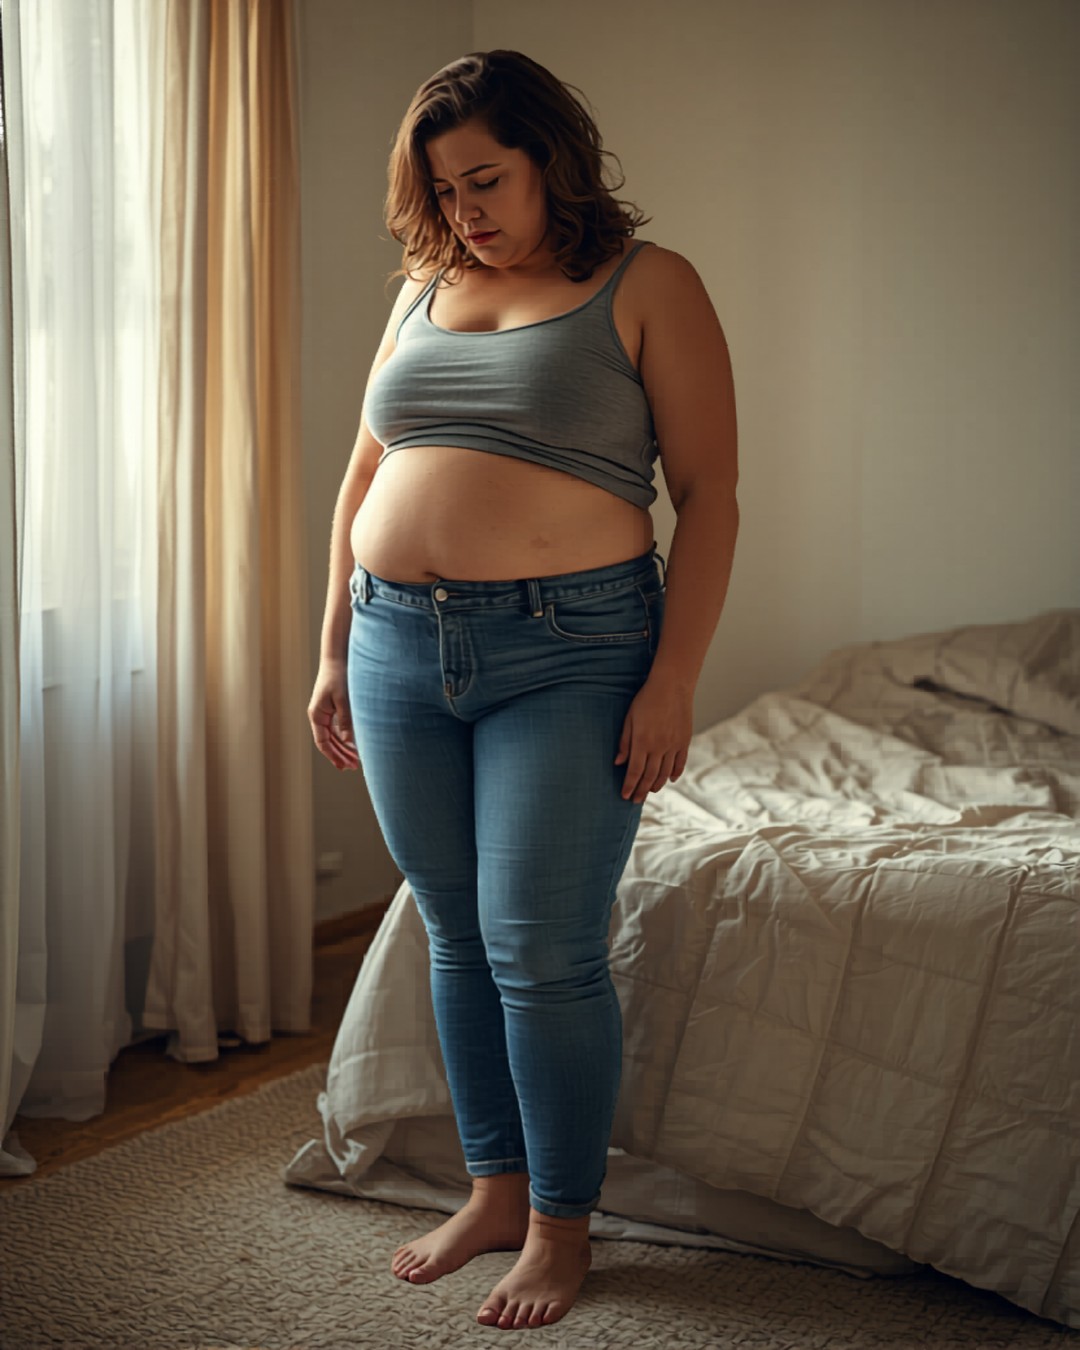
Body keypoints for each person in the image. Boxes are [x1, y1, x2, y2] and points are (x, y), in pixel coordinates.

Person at [307, 49, 738, 1333]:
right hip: (394, 645)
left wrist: (674, 680)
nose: (465, 213)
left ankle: (561, 1224)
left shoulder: (650, 285)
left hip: (573, 650)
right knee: (450, 929)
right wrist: (330, 644)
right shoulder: (423, 290)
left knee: (541, 952)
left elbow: (709, 498)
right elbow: (363, 474)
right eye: (442, 192)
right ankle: (493, 1190)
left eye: (486, 180)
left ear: (554, 156)